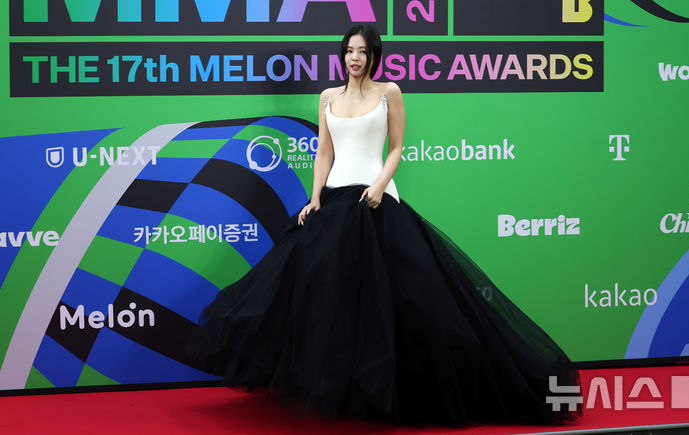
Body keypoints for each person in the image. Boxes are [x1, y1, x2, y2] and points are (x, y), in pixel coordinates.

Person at [187, 24, 582, 426]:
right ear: (342, 55)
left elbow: (396, 147)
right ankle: (340, 389)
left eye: (362, 51)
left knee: (401, 303)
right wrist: (315, 197)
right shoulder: (328, 97)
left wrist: (378, 186)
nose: (355, 58)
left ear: (374, 55)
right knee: (325, 300)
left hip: (376, 202)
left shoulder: (388, 92)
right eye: (349, 51)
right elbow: (324, 152)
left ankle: (393, 391)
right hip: (334, 202)